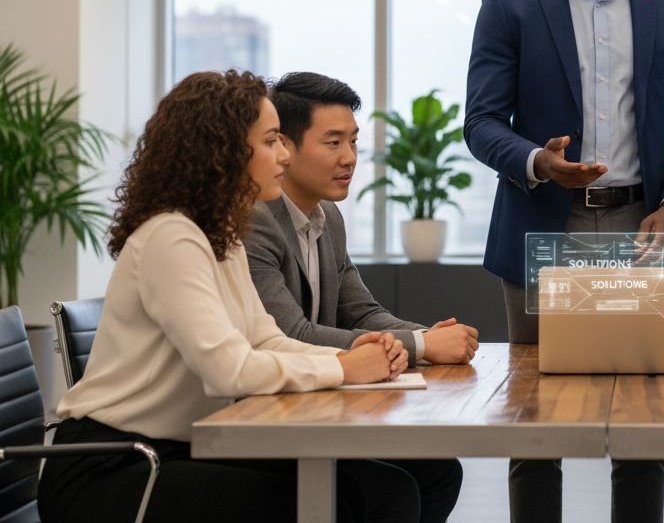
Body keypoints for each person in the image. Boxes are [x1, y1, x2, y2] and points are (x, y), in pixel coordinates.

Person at [39, 70, 435, 523]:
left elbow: (266, 340)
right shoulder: (173, 236)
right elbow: (228, 370)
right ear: (223, 152)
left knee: (382, 491)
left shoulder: (218, 236)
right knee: (332, 504)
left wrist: (351, 356)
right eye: (271, 141)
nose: (284, 153)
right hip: (115, 468)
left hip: (179, 448)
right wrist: (343, 365)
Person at [464, 0, 664, 523]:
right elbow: (481, 123)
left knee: (642, 421)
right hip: (544, 224)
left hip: (641, 228)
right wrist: (538, 161)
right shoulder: (510, 0)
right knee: (534, 419)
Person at [243, 71, 472, 523]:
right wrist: (424, 347)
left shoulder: (328, 216)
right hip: (258, 420)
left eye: (353, 142)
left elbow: (362, 312)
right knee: (389, 490)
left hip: (310, 410)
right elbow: (294, 333)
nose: (349, 158)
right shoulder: (254, 221)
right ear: (283, 147)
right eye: (333, 143)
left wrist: (426, 335)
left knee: (438, 471)